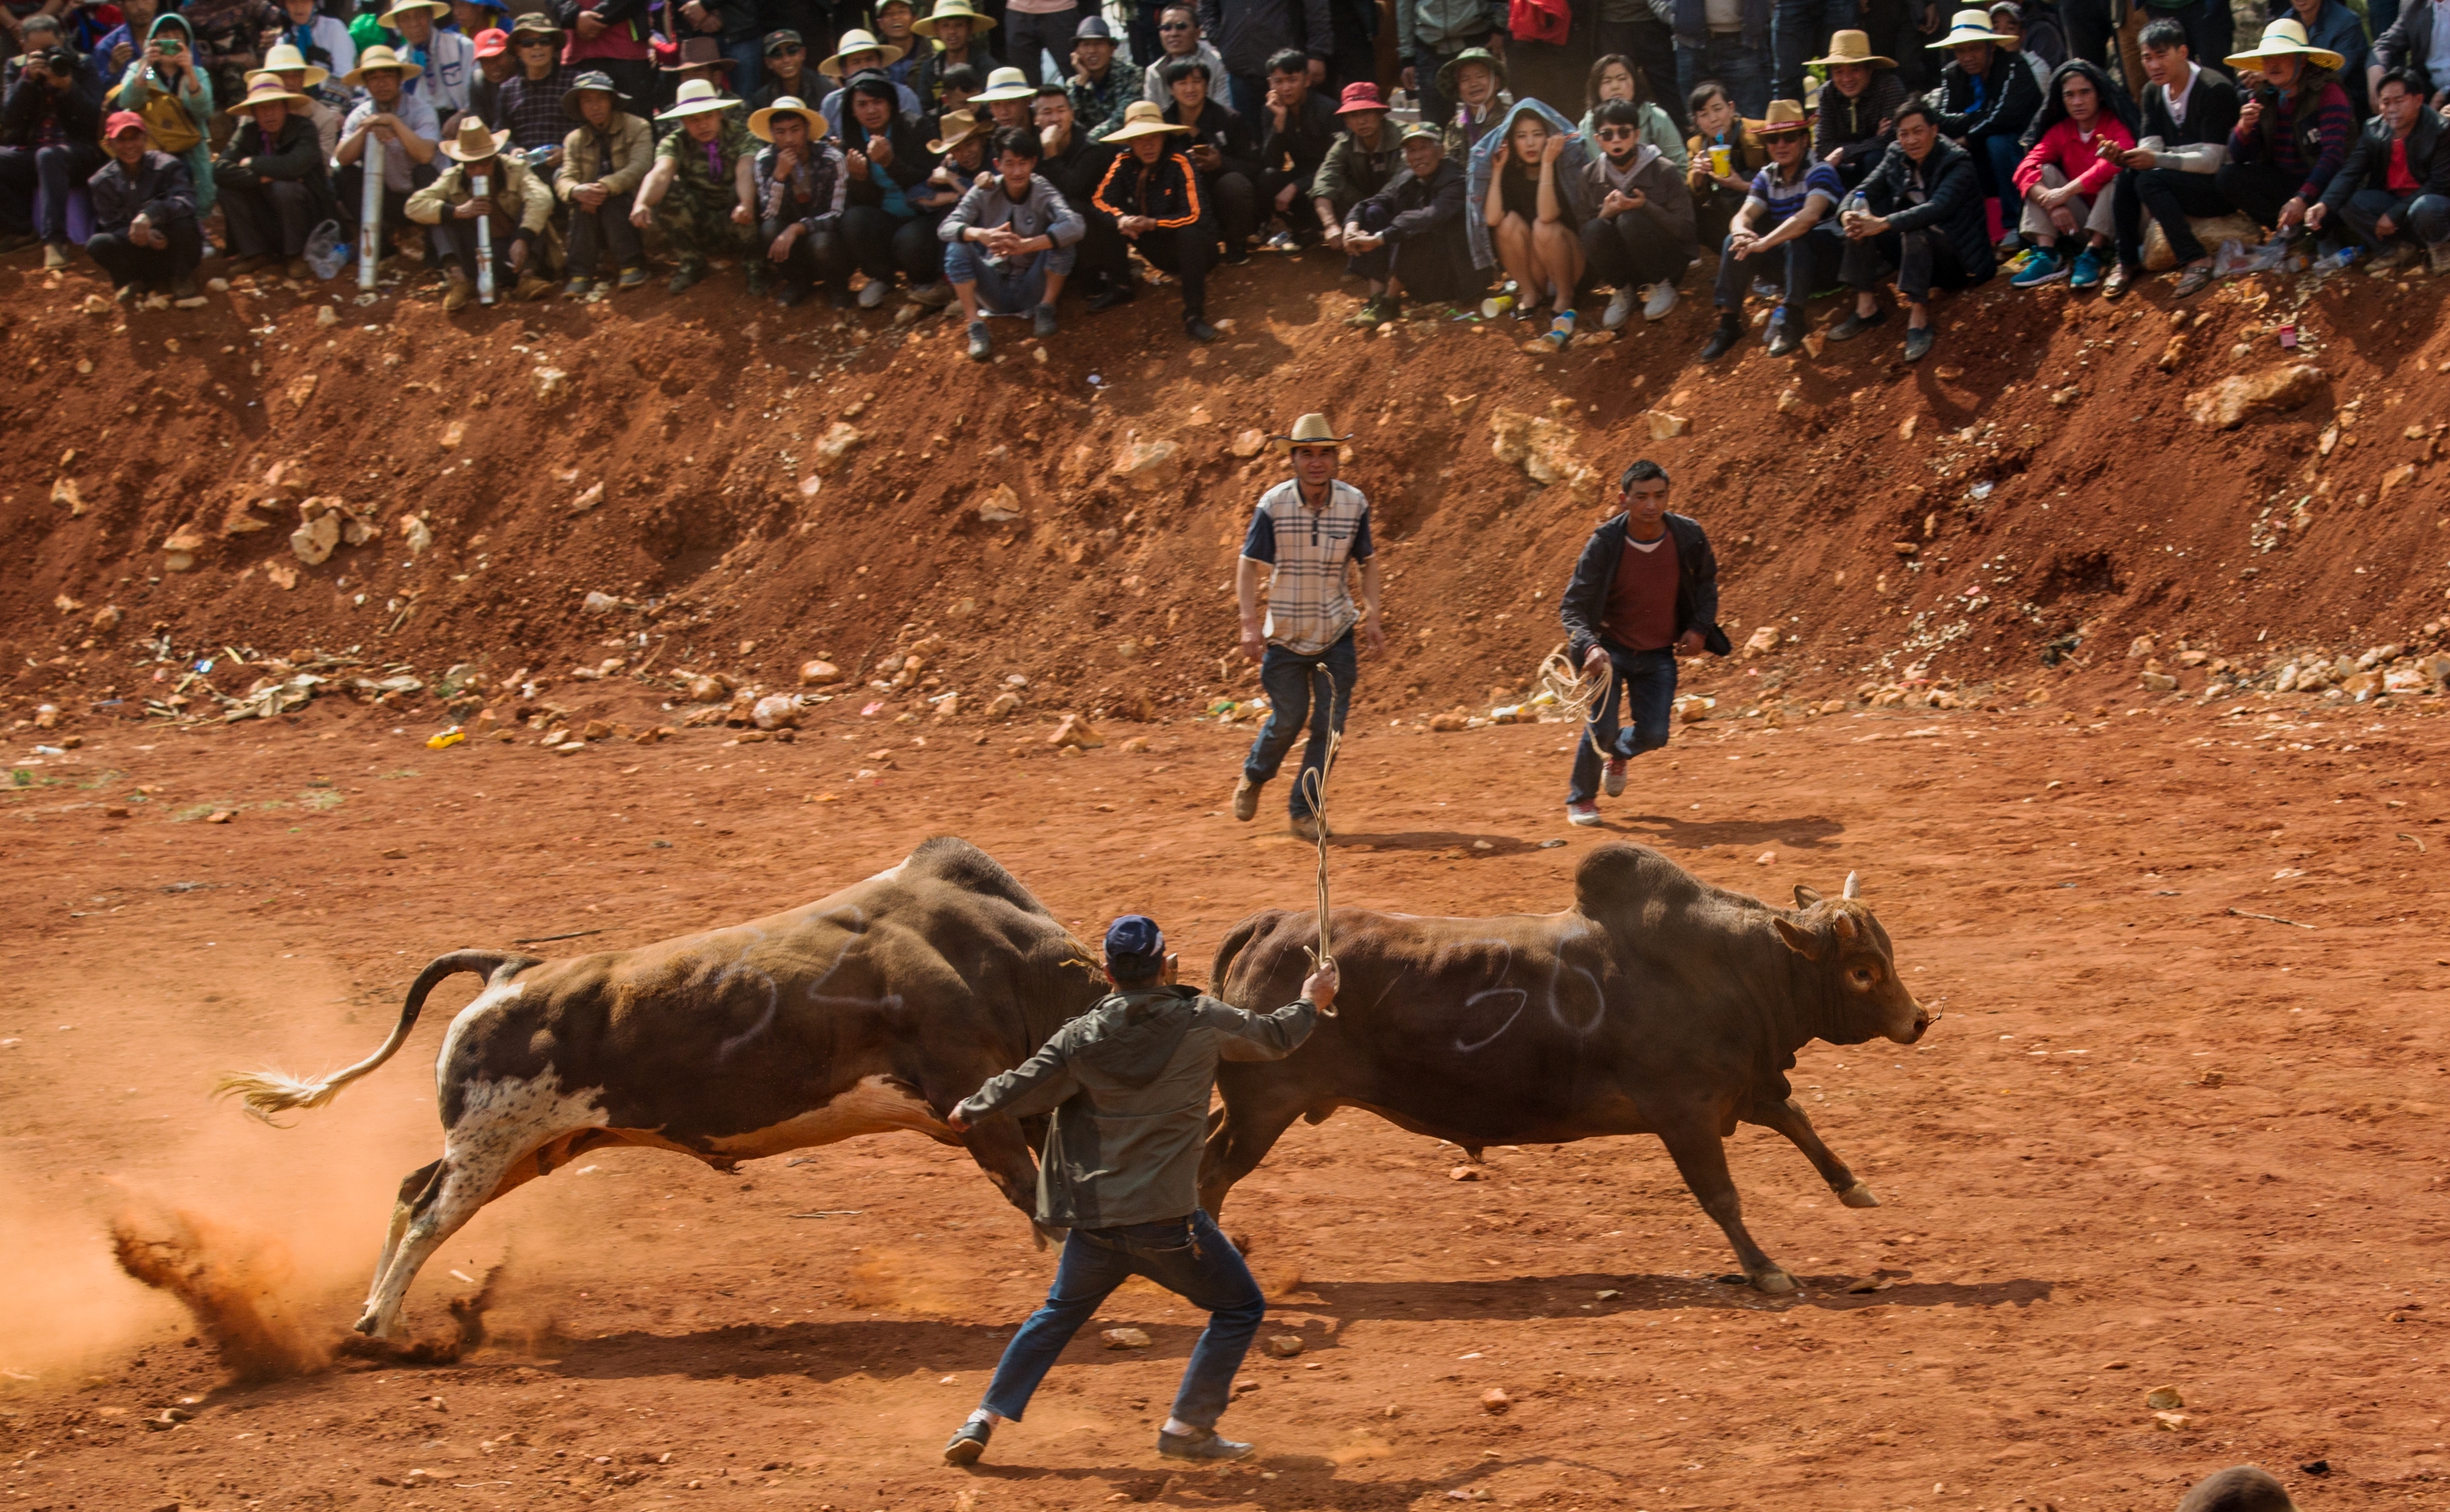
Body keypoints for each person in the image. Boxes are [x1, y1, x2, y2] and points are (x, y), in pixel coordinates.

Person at [938, 916, 1333, 1470]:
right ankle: (1186, 1426)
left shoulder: (1080, 1037)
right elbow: (1276, 1037)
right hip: (1171, 1224)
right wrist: (1311, 999)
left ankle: (983, 1419)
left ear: (1106, 973)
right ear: (1166, 965)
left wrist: (969, 1109)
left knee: (1054, 1316)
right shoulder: (1203, 1022)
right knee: (1241, 1307)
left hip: (1096, 1222)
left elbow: (1025, 1079)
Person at [1230, 413, 1383, 840]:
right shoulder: (1273, 505)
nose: (1316, 462)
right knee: (1289, 716)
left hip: (1336, 630)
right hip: (1285, 635)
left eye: (1325, 453)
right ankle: (1256, 775)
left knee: (1328, 727)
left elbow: (1367, 561)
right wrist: (1248, 624)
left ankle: (1303, 811)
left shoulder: (1354, 503)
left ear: (1336, 458)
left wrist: (1373, 614)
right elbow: (1248, 565)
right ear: (1293, 459)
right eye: (1307, 454)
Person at [1557, 460, 1727, 829]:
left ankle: (1616, 754)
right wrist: (1588, 647)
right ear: (1624, 499)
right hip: (1610, 650)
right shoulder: (1605, 542)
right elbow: (1572, 606)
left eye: (1659, 496)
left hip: (1659, 651)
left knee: (1655, 734)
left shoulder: (1688, 535)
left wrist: (1699, 629)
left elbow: (1706, 587)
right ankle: (1582, 798)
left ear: (1668, 496)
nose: (1651, 505)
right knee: (1599, 727)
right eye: (1641, 497)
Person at [1833, 96, 1993, 358]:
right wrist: (1847, 215)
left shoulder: (1956, 161)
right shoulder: (1896, 153)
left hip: (1960, 262)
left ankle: (1918, 319)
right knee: (1859, 221)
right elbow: (1862, 190)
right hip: (1915, 256)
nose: (1911, 140)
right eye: (1904, 134)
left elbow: (1938, 208)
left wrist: (1883, 223)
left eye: (1918, 132)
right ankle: (1866, 309)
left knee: (1915, 228)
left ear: (1934, 130)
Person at [2102, 16, 2238, 299]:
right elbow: (2150, 148)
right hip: (2176, 180)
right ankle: (2126, 260)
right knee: (2127, 178)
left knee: (2149, 182)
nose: (2153, 66)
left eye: (2161, 56)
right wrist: (2125, 157)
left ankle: (2196, 259)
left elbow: (2212, 160)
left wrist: (2157, 159)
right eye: (2147, 58)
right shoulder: (2152, 92)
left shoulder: (2214, 89)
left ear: (2183, 53)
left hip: (2216, 187)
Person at [1699, 96, 1837, 358]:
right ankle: (1728, 325)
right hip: (1790, 267)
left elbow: (1808, 218)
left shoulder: (1820, 171)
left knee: (1799, 237)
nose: (1781, 145)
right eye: (1773, 139)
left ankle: (1794, 321)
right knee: (1734, 239)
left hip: (1826, 263)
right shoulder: (1767, 176)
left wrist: (1763, 243)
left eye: (1789, 137)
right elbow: (1743, 215)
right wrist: (1741, 232)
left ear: (1804, 139)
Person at [942, 123, 1082, 353]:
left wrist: (1027, 246)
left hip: (1032, 287)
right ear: (998, 165)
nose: (1017, 172)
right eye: (1010, 164)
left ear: (1033, 163)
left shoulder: (1041, 188)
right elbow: (946, 227)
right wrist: (980, 235)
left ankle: (1046, 309)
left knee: (1064, 239)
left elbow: (1076, 225)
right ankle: (975, 325)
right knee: (957, 247)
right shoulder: (984, 190)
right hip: (993, 288)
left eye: (1023, 164)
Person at [1091, 99, 1221, 337]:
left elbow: (1195, 214)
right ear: (1130, 142)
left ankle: (1194, 315)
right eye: (1139, 139)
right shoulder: (1123, 162)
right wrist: (1122, 220)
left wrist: (1154, 224)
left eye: (1153, 137)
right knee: (1109, 218)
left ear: (1164, 137)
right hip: (1158, 247)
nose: (1147, 145)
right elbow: (1099, 200)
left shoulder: (1180, 161)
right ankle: (1121, 285)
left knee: (1189, 233)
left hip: (1198, 250)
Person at [2220, 18, 2354, 238]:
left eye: (2281, 57)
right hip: (2285, 182)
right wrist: (2243, 129)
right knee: (2228, 177)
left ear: (2302, 61)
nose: (2272, 64)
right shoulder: (2263, 95)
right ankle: (2289, 233)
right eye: (2267, 58)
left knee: (2330, 215)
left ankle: (2318, 233)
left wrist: (2302, 199)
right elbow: (2239, 156)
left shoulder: (2328, 92)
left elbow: (2333, 156)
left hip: (2326, 186)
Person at [2306, 65, 2450, 269]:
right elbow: (2351, 171)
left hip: (2431, 206)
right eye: (2385, 102)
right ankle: (2394, 251)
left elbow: (2440, 184)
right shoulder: (2374, 129)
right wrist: (2324, 204)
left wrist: (2394, 214)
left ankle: (2441, 248)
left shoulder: (2440, 129)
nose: (2391, 109)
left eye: (2399, 101)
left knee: (2425, 207)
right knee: (2347, 201)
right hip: (2393, 202)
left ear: (2418, 100)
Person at [2007, 58, 2134, 287]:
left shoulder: (2115, 124)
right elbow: (2024, 168)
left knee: (2118, 175)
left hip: (2121, 223)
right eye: (2069, 95)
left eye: (2085, 92)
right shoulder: (2061, 131)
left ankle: (2092, 255)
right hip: (2079, 222)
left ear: (2100, 94)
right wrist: (2053, 203)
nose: (2077, 102)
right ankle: (2047, 255)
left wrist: (2065, 192)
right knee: (2042, 171)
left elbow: (2121, 159)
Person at [407, 113, 555, 303]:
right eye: (471, 166)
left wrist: (523, 238)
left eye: (484, 164)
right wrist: (458, 211)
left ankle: (527, 278)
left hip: (514, 251)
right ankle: (460, 282)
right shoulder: (453, 176)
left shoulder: (515, 169)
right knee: (439, 215)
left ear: (494, 158)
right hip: (475, 255)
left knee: (535, 211)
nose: (478, 171)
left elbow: (542, 198)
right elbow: (413, 206)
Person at [631, 74, 759, 291]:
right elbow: (661, 172)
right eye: (693, 119)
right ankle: (692, 263)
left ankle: (756, 267)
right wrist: (642, 203)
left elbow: (746, 169)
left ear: (719, 113)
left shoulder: (742, 135)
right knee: (670, 191)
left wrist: (746, 202)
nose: (702, 125)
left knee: (752, 189)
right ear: (683, 121)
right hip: (701, 220)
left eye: (708, 116)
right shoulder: (674, 142)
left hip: (738, 217)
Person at [1341, 121, 1480, 321]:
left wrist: (1381, 238)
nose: (1417, 156)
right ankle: (1376, 299)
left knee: (1414, 225)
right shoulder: (1408, 177)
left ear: (1441, 151)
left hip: (1456, 277)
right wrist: (1351, 225)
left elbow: (1430, 216)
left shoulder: (1456, 179)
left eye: (1424, 148)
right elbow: (1375, 201)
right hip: (1424, 271)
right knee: (1373, 212)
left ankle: (1391, 302)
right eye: (1411, 151)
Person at [1580, 96, 1698, 327]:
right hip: (1626, 265)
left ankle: (1662, 287)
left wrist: (1646, 206)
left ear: (1636, 135)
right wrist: (1604, 214)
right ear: (1598, 140)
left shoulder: (1664, 170)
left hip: (1666, 261)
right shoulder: (1589, 176)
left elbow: (1687, 230)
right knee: (1594, 227)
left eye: (1624, 132)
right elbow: (1583, 232)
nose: (1616, 140)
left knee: (1630, 219)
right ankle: (1623, 291)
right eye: (1607, 134)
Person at [1927, 7, 2042, 239]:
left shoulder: (2015, 66)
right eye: (1961, 50)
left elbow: (2007, 117)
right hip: (1977, 151)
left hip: (2022, 153)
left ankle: (2016, 223)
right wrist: (1978, 120)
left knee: (1997, 141)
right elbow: (1941, 120)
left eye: (1974, 48)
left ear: (1991, 46)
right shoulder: (1953, 74)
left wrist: (1969, 135)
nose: (1967, 57)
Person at [1479, 100, 1588, 344]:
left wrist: (1548, 163)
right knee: (1507, 224)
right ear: (1511, 141)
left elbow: (1548, 216)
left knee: (1543, 225)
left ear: (1549, 137)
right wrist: (1496, 171)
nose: (1529, 143)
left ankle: (1565, 296)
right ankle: (1530, 293)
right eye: (1521, 136)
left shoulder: (1562, 167)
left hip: (1570, 263)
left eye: (1537, 135)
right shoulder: (1512, 173)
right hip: (1539, 267)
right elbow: (1492, 218)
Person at [838, 67, 943, 305]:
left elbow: (932, 181)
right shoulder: (852, 140)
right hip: (886, 218)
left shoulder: (917, 127)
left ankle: (924, 281)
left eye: (878, 101)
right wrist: (860, 179)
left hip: (922, 216)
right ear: (852, 111)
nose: (871, 110)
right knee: (853, 220)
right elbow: (861, 200)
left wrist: (890, 163)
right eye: (862, 104)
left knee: (910, 240)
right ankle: (881, 278)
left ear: (891, 103)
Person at [216, 76, 338, 275]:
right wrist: (260, 178)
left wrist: (253, 162)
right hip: (267, 213)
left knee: (285, 188)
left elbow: (295, 165)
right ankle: (255, 253)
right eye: (262, 108)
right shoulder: (247, 133)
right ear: (254, 113)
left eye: (274, 106)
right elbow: (220, 169)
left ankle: (296, 255)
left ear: (285, 107)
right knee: (226, 189)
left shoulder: (304, 128)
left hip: (307, 215)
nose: (269, 114)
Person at [0, 32, 104, 265]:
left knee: (49, 156)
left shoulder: (81, 64)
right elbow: (9, 118)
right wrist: (26, 81)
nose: (47, 58)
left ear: (62, 40)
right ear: (24, 47)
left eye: (51, 49)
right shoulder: (16, 68)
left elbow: (94, 120)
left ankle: (54, 243)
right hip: (32, 150)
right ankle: (21, 231)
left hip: (77, 152)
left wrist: (68, 87)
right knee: (41, 155)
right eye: (38, 53)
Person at [104, 14, 215, 225]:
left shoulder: (196, 73)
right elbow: (128, 100)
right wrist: (147, 65)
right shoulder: (147, 72)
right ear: (152, 41)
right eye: (164, 36)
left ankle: (195, 226)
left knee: (192, 181)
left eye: (177, 36)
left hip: (189, 148)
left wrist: (189, 72)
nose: (171, 42)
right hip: (152, 147)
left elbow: (204, 111)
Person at [334, 44, 440, 263]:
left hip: (421, 195)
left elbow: (425, 155)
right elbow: (341, 158)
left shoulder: (421, 109)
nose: (381, 83)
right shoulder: (360, 114)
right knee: (346, 175)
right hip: (387, 198)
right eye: (373, 77)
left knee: (426, 172)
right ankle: (381, 242)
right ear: (366, 83)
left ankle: (436, 250)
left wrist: (393, 122)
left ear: (400, 79)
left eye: (388, 76)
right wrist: (367, 128)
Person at [745, 91, 850, 305]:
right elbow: (768, 213)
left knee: (821, 242)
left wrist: (798, 228)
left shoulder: (831, 159)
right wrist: (779, 176)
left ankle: (838, 288)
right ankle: (797, 282)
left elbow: (837, 213)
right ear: (773, 135)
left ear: (807, 130)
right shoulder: (765, 161)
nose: (789, 139)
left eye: (795, 130)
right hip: (788, 232)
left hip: (826, 236)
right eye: (781, 132)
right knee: (769, 230)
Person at [84, 106, 201, 295]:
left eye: (134, 137)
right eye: (121, 139)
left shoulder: (168, 165)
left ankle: (181, 276)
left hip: (170, 245)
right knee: (98, 244)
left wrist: (151, 215)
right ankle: (135, 280)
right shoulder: (101, 182)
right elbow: (111, 224)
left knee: (184, 225)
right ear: (109, 144)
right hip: (138, 250)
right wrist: (144, 236)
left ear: (145, 138)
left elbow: (186, 201)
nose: (129, 145)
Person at [1034, 82, 1131, 303]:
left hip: (1100, 229)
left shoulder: (1090, 147)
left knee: (1073, 207)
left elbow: (1069, 189)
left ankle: (1108, 278)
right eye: (1047, 113)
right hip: (1058, 231)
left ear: (1071, 114)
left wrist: (1050, 151)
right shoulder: (1033, 148)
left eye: (1061, 111)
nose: (1055, 118)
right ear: (1036, 119)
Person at [555, 67, 650, 293]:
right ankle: (580, 272)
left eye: (600, 98)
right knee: (581, 202)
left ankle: (632, 264)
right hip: (590, 211)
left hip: (633, 206)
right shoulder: (574, 139)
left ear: (611, 100)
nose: (594, 106)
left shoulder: (638, 126)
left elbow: (640, 166)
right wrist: (576, 190)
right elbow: (565, 177)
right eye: (587, 101)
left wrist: (605, 187)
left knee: (611, 200)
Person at [1160, 53, 1259, 259]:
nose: (1190, 89)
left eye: (1197, 82)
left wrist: (1221, 162)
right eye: (1182, 83)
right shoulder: (1162, 124)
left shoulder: (1230, 119)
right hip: (1182, 198)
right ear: (1171, 89)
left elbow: (1254, 166)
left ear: (1207, 85)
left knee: (1235, 183)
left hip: (1222, 196)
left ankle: (1236, 243)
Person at [1199, 0, 1328, 126]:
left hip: (1285, 72)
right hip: (1240, 73)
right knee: (1247, 140)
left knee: (1293, 135)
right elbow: (1207, 6)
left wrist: (1316, 53)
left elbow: (1316, 11)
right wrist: (1221, 38)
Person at [1255, 46, 1333, 243]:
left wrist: (1297, 186)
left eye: (1292, 80)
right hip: (1301, 176)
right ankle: (1301, 230)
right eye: (1278, 82)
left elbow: (1338, 164)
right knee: (1267, 178)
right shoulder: (1271, 111)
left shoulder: (1328, 109)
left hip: (1329, 177)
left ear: (1307, 80)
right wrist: (1279, 123)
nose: (1286, 88)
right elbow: (1271, 162)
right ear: (1270, 84)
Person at [1809, 29, 1905, 188]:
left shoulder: (1889, 86)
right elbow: (1823, 148)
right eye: (1839, 71)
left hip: (1882, 170)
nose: (1847, 79)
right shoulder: (1827, 93)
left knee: (1874, 158)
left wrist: (1843, 151)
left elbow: (1892, 138)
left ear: (1869, 69)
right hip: (1845, 169)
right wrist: (1873, 139)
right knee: (1823, 170)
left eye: (1855, 69)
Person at [175, 0, 283, 136]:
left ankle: (246, 133)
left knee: (233, 72)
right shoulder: (188, 14)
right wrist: (231, 59)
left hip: (254, 73)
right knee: (226, 71)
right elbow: (187, 55)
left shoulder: (250, 3)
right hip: (211, 76)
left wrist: (273, 36)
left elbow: (282, 21)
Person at [1685, 78, 1769, 248]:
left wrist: (1743, 185)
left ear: (1731, 108)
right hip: (1724, 208)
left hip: (1762, 205)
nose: (1713, 118)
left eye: (1718, 109)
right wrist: (1698, 178)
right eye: (1704, 115)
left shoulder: (1760, 131)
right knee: (1695, 218)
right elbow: (1694, 200)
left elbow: (1783, 179)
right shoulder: (1697, 146)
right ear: (1697, 121)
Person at [1310, 79, 1397, 242]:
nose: (1361, 121)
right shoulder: (1345, 143)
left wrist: (1357, 215)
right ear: (1346, 121)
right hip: (1364, 207)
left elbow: (1400, 186)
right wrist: (1330, 225)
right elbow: (1324, 181)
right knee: (1336, 187)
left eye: (1367, 112)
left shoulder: (1402, 137)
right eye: (1353, 115)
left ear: (1379, 113)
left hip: (1398, 206)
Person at [1396, 0, 1503, 129]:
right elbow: (1404, 7)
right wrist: (1407, 57)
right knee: (1434, 129)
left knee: (1489, 122)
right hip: (1429, 47)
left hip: (1475, 38)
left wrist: (1500, 29)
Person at [1580, 51, 1688, 172]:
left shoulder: (1657, 118)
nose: (1615, 86)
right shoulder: (1588, 125)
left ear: (1635, 82)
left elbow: (1681, 169)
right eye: (1607, 81)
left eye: (1622, 79)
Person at [493, 12, 572, 164]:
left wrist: (566, 150)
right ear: (517, 50)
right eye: (528, 43)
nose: (537, 47)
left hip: (569, 168)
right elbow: (499, 134)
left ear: (553, 46)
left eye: (544, 41)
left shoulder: (573, 82)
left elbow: (588, 130)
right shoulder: (508, 90)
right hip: (523, 173)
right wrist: (512, 150)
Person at [2268, 0, 2369, 116]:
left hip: (2344, 101)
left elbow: (2334, 75)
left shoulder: (2348, 23)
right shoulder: (2284, 23)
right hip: (2297, 95)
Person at [1674, 0, 1771, 118]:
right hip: (1690, 44)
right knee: (1699, 121)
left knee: (1750, 122)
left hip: (1742, 42)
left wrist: (1761, 16)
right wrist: (1675, 15)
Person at [385, 0, 478, 120]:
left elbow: (477, 94)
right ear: (398, 25)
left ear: (431, 16)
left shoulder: (461, 46)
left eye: (419, 15)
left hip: (460, 118)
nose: (414, 23)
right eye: (405, 19)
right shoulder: (398, 60)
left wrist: (463, 114)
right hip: (419, 127)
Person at [816, 29, 923, 131]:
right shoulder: (832, 103)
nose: (864, 67)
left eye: (870, 59)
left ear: (881, 64)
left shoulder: (904, 96)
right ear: (844, 71)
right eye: (856, 62)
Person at [255, 42, 345, 161]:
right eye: (282, 76)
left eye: (295, 75)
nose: (290, 82)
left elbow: (320, 166)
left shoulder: (322, 118)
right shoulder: (253, 113)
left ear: (303, 78)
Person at [911, 0, 992, 109]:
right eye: (945, 26)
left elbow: (990, 106)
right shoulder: (929, 68)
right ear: (937, 30)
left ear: (969, 28)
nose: (952, 31)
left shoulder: (986, 66)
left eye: (958, 25)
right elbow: (925, 108)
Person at [1143, 2, 1226, 107]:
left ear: (1198, 33)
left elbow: (1224, 113)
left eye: (1181, 27)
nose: (1173, 34)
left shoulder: (1217, 65)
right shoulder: (1154, 72)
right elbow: (1151, 118)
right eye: (1167, 27)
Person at [1436, 42, 1508, 158]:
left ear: (1497, 82)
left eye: (1480, 76)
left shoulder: (1511, 119)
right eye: (1465, 79)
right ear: (1458, 88)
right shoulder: (1455, 125)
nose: (1473, 83)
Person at [2370, 0, 2448, 105]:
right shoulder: (2414, 5)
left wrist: (2446, 92)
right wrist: (2375, 69)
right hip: (2429, 87)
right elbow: (2385, 45)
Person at [1064, 14, 1131, 136]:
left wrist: (1089, 142)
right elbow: (1070, 120)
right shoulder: (1074, 85)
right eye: (1085, 45)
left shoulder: (1131, 74)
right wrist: (1082, 80)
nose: (1092, 51)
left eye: (1098, 44)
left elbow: (1122, 117)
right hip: (1089, 150)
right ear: (1077, 52)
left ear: (1112, 49)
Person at [270, 0, 356, 82]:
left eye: (305, 1)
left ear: (314, 3)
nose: (299, 8)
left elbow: (345, 75)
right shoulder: (284, 42)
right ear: (285, 6)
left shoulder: (333, 29)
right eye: (292, 2)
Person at [1002, 0, 1077, 89]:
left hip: (1062, 9)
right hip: (1017, 10)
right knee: (1023, 81)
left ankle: (1080, 101)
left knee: (1073, 71)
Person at [745, 26, 808, 110]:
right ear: (768, 62)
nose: (786, 60)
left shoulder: (823, 88)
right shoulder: (761, 100)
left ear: (802, 54)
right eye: (777, 54)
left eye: (792, 51)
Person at [973, 60, 1036, 128]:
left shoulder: (1044, 128)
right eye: (996, 104)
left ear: (1027, 101)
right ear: (990, 107)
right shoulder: (989, 137)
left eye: (1011, 102)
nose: (1004, 112)